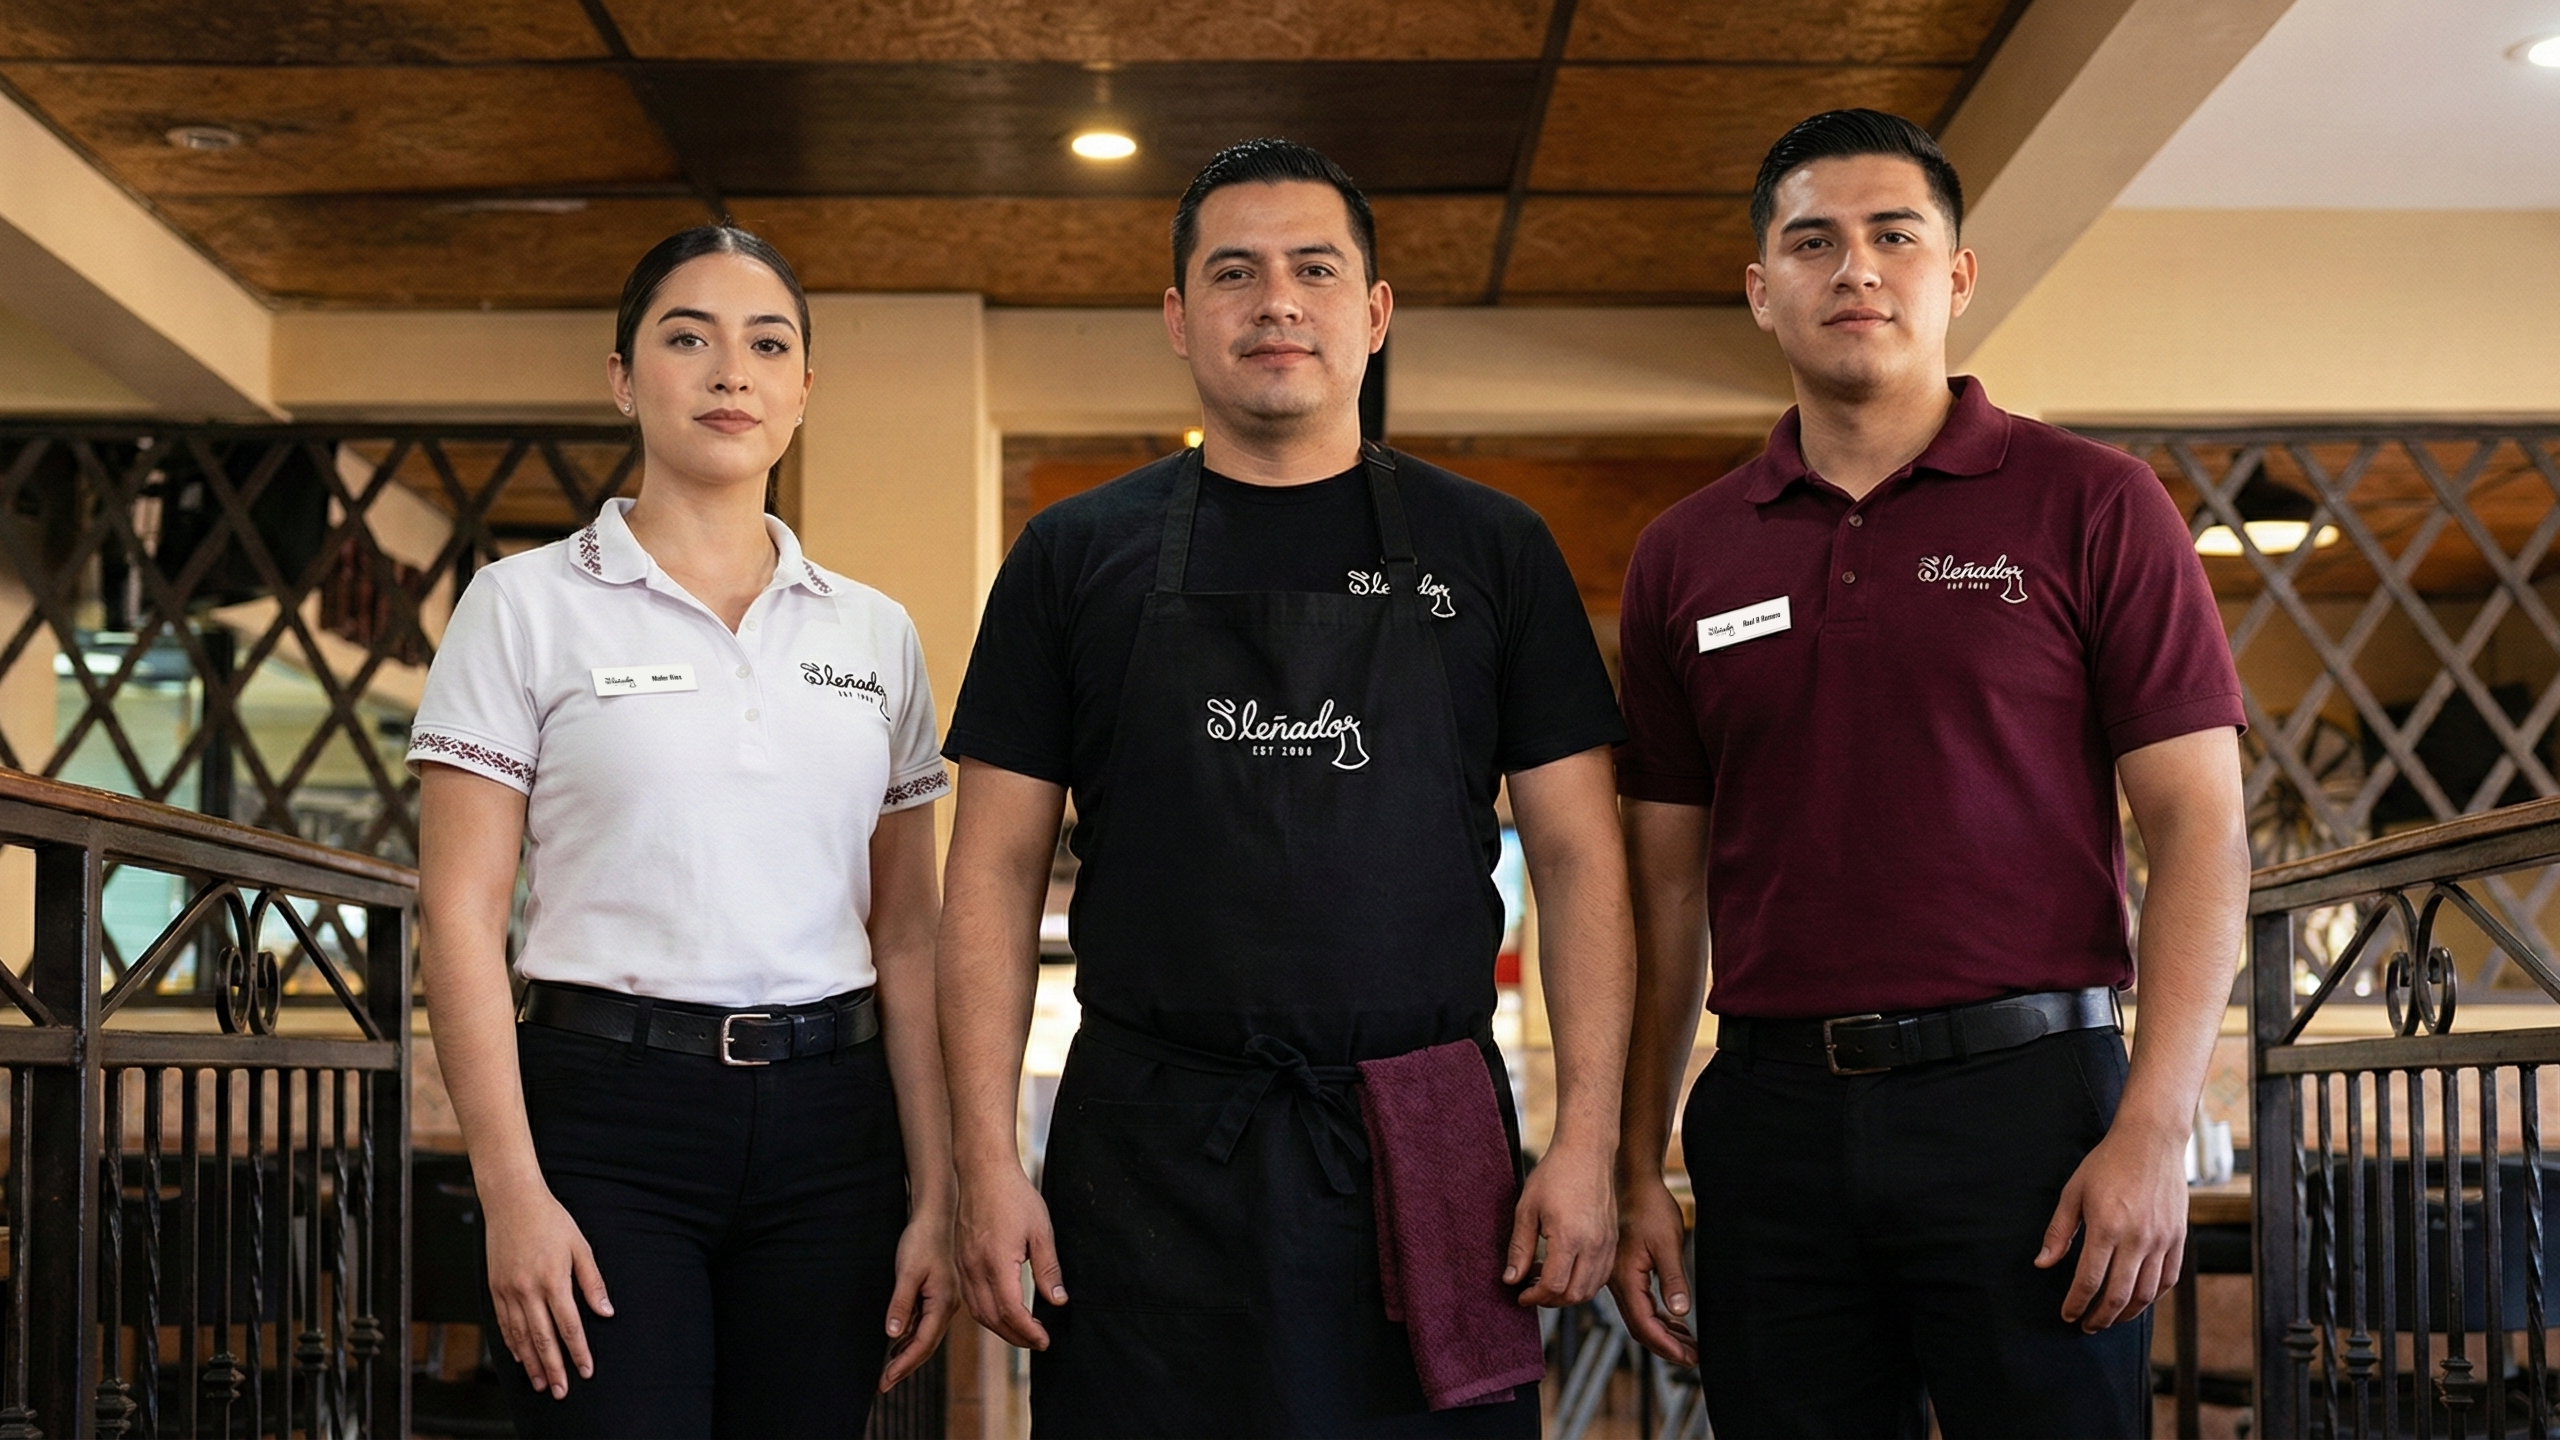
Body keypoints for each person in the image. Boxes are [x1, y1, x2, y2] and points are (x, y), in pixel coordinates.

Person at [938, 138, 1636, 1437]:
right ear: (1177, 317)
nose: (1277, 303)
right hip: (1148, 1151)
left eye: (1316, 270)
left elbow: (1581, 857)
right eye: (1235, 273)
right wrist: (987, 1163)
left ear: (1373, 314)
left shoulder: (1496, 550)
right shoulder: (1071, 556)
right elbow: (988, 869)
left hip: (1426, 1154)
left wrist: (1585, 1139)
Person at [1607, 109, 2249, 1439]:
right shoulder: (1684, 557)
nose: (1856, 270)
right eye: (1813, 242)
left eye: (1895, 237)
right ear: (1760, 290)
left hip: (2032, 1117)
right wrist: (1632, 1164)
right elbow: (1661, 898)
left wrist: (2155, 1128)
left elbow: (2198, 833)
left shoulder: (2095, 503)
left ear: (1956, 276)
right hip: (1770, 1120)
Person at [413, 225, 956, 1439]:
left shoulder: (876, 634)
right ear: (622, 376)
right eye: (687, 338)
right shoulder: (523, 606)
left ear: (804, 391)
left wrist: (936, 1192)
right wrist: (509, 1191)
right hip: (605, 1127)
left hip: (835, 1131)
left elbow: (910, 934)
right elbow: (456, 914)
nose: (731, 373)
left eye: (768, 345)